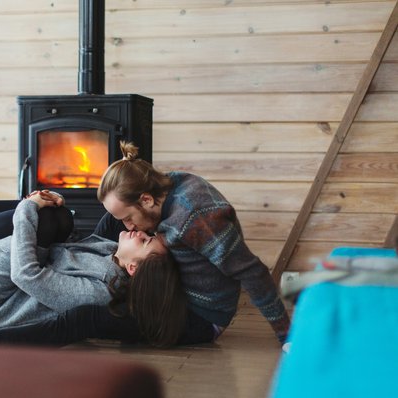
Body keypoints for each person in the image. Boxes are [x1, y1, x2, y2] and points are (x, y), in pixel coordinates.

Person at [0, 172, 189, 347]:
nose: (139, 232)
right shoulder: (110, 253)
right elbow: (64, 247)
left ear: (133, 268)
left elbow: (26, 275)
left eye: (145, 241)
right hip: (1, 281)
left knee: (43, 220)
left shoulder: (99, 292)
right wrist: (54, 202)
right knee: (57, 217)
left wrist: (27, 208)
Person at [91, 141, 291, 344]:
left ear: (146, 200)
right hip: (177, 285)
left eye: (128, 218)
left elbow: (253, 272)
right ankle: (87, 269)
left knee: (92, 317)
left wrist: (287, 335)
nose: (129, 227)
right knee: (111, 221)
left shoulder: (196, 218)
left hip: (199, 315)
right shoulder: (168, 184)